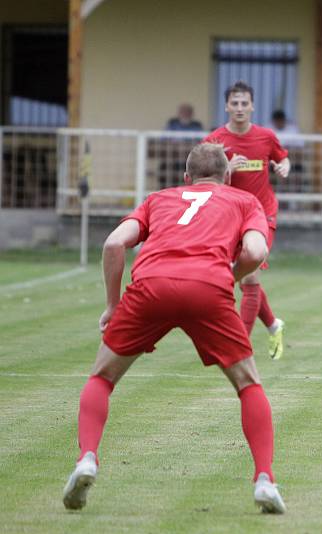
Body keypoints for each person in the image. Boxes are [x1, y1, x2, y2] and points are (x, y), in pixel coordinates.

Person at [61, 143, 287, 514]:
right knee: (248, 383)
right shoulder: (244, 201)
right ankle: (264, 479)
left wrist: (112, 306)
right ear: (228, 176)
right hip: (208, 289)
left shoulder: (158, 198)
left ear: (186, 177)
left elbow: (114, 243)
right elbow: (256, 252)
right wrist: (228, 277)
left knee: (101, 377)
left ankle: (87, 458)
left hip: (151, 284)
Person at [204, 81, 290, 359]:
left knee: (250, 275)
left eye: (244, 103)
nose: (240, 108)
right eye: (235, 103)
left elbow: (283, 159)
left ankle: (238, 345)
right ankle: (274, 324)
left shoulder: (266, 136)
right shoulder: (215, 141)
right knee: (244, 280)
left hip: (262, 213)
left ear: (252, 106)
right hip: (230, 216)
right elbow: (203, 179)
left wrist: (282, 168)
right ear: (227, 106)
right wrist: (226, 169)